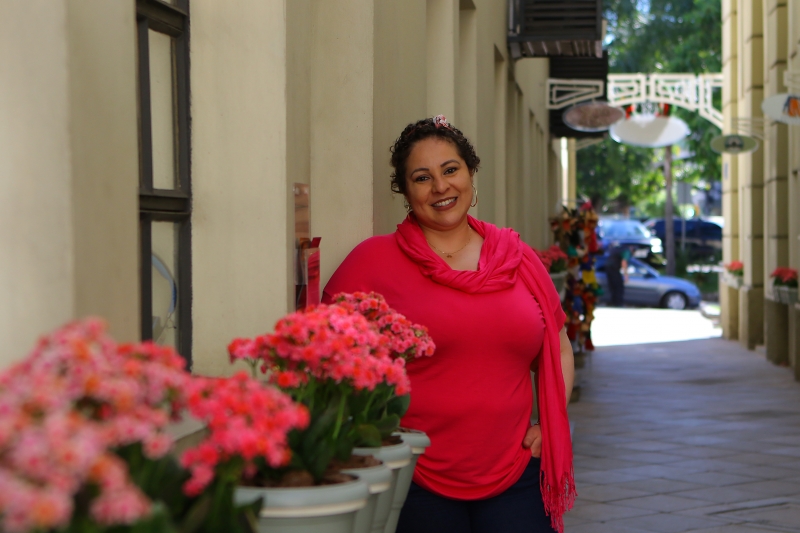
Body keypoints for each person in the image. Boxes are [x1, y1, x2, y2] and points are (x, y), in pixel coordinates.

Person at [322, 116, 576, 533]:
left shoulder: (518, 258)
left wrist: (550, 421)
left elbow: (558, 344)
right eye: (422, 177)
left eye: (451, 170)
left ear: (470, 174)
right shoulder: (372, 262)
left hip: (516, 471)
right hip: (415, 477)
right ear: (405, 192)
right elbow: (322, 349)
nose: (441, 187)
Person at [605, 241, 630, 307]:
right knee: (618, 287)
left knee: (613, 287)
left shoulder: (617, 249)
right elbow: (624, 263)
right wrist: (626, 276)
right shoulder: (626, 251)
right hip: (614, 269)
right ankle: (618, 303)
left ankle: (614, 302)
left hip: (608, 269)